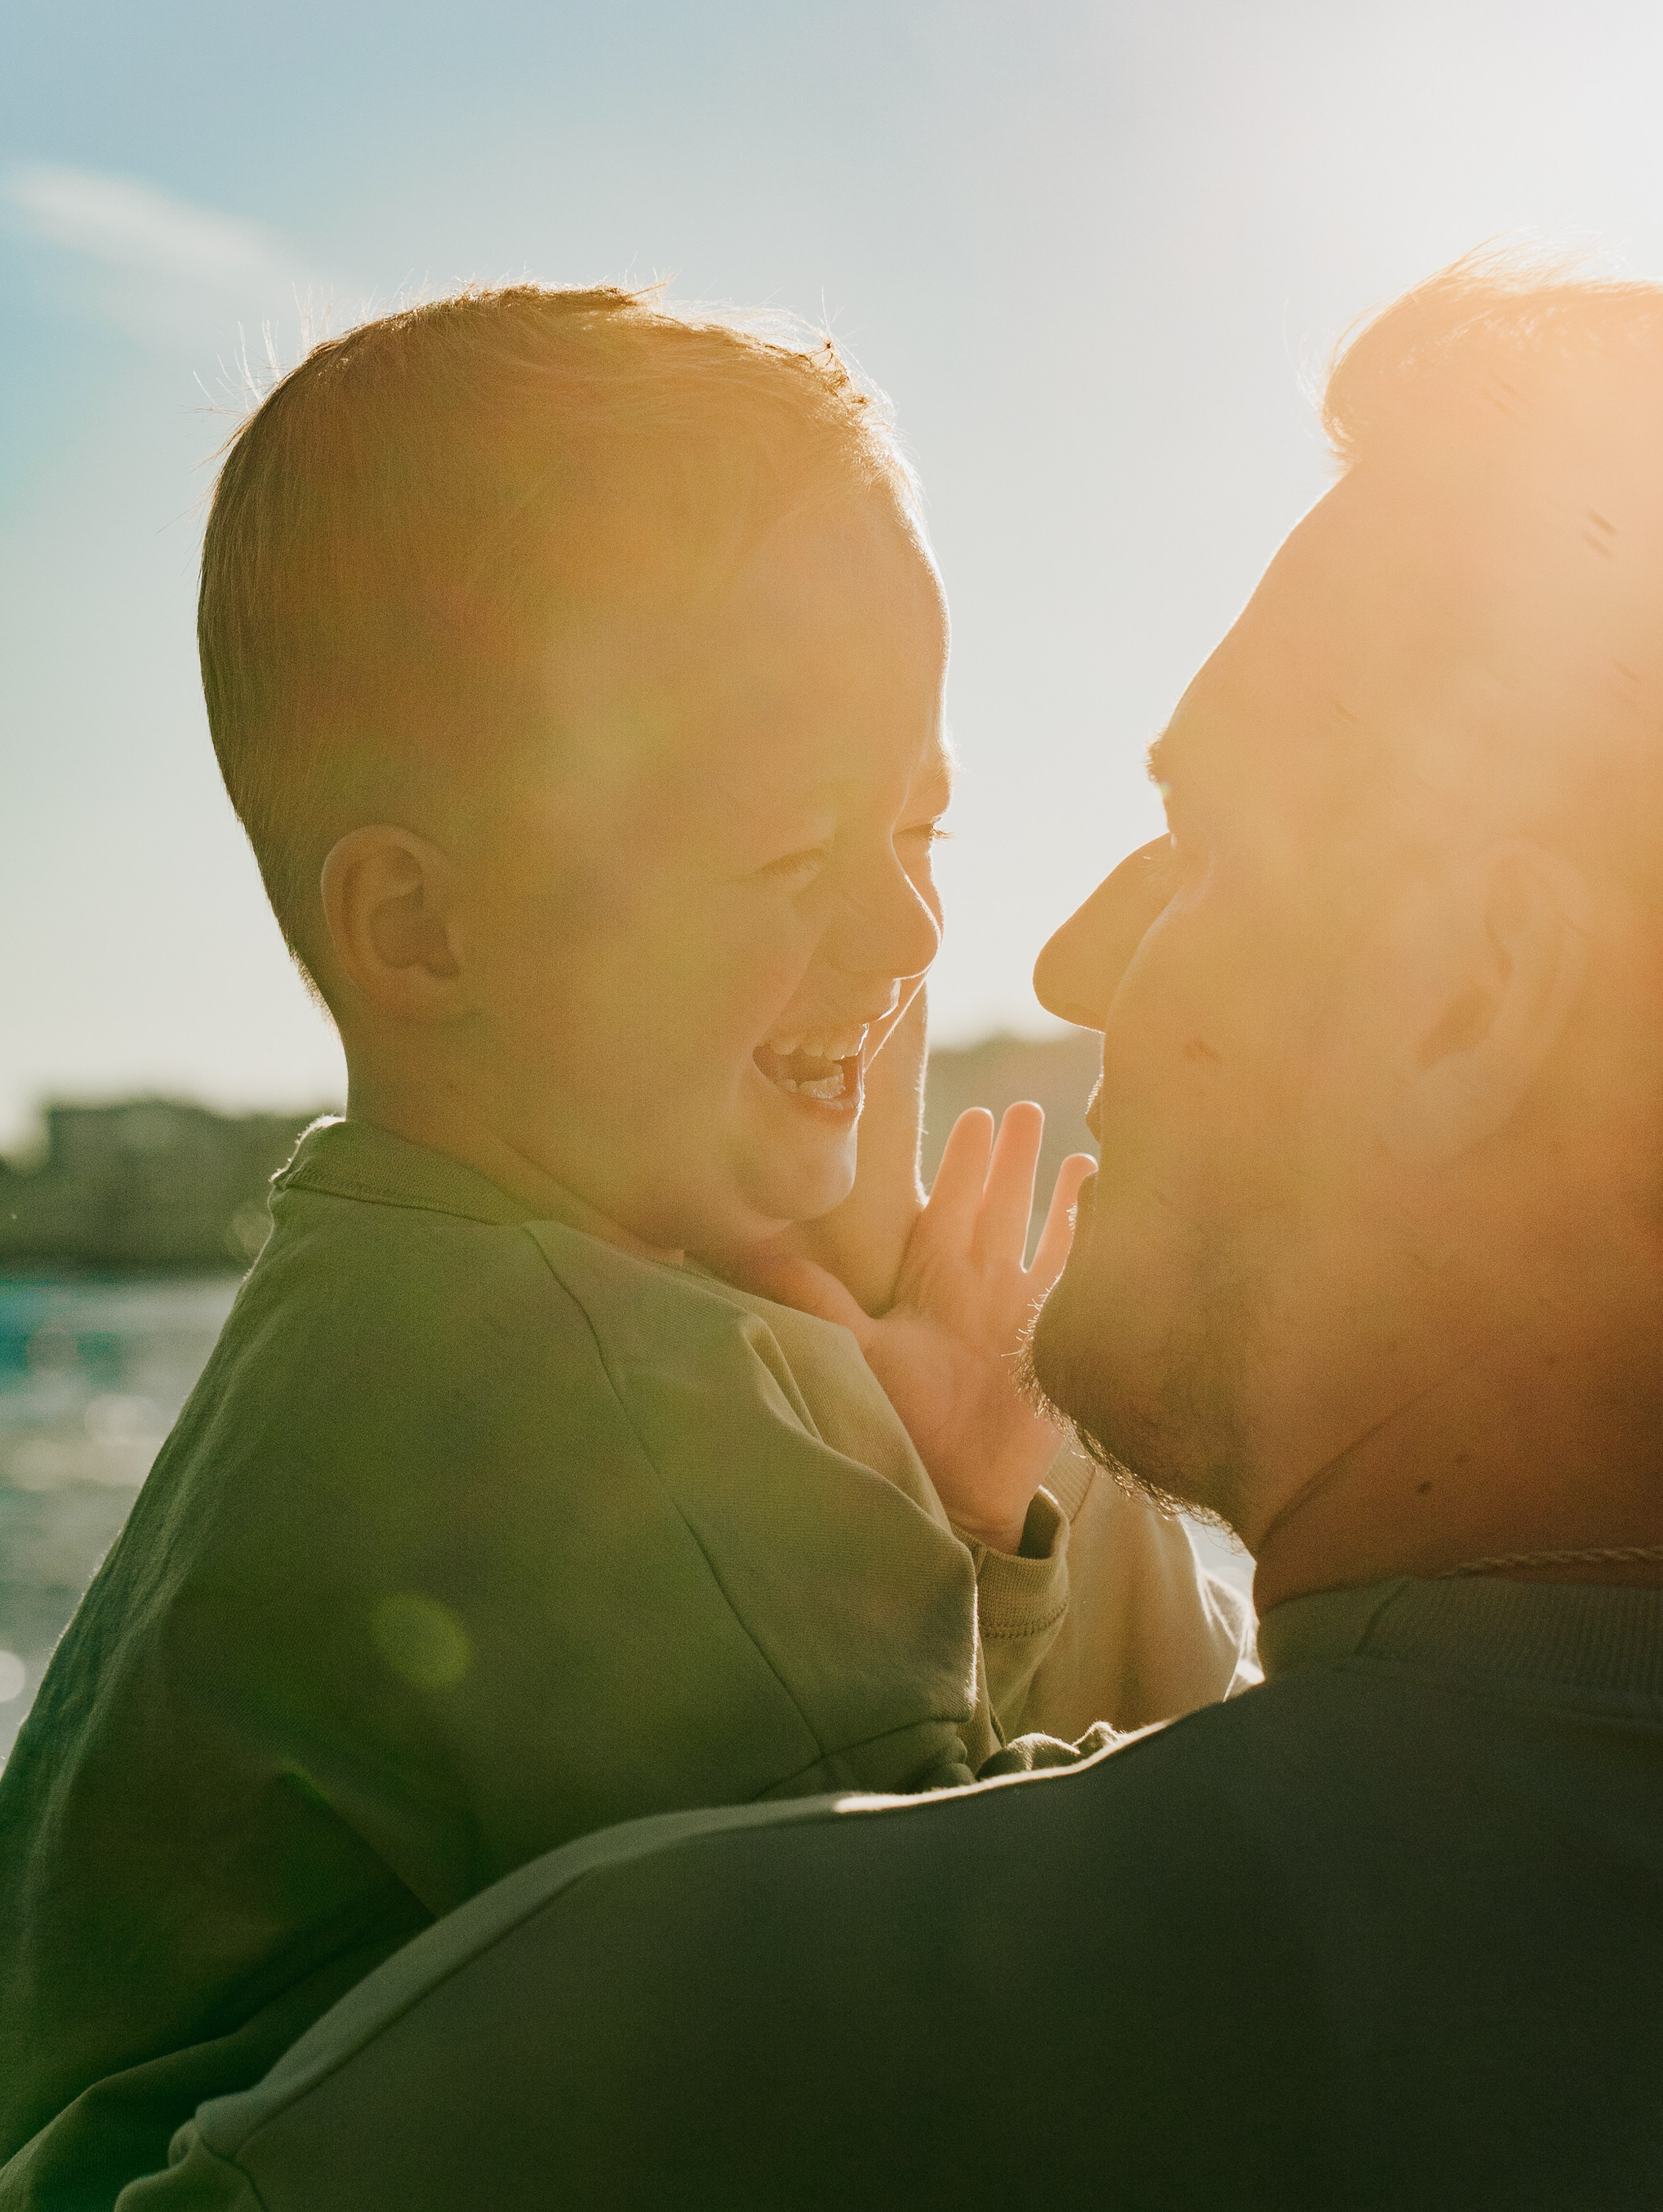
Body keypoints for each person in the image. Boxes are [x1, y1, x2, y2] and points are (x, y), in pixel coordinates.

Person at [127, 252, 1663, 2210]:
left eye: (1197, 849)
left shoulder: (706, 2059)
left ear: (1469, 998)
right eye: (792, 852)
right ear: (415, 930)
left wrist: (965, 1547)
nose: (1041, 950)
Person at [0, 286, 1250, 2208]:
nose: (915, 936)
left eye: (923, 823)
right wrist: (972, 1520)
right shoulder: (589, 1411)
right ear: (424, 937)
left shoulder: (372, 1314)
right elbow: (951, 2015)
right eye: (793, 850)